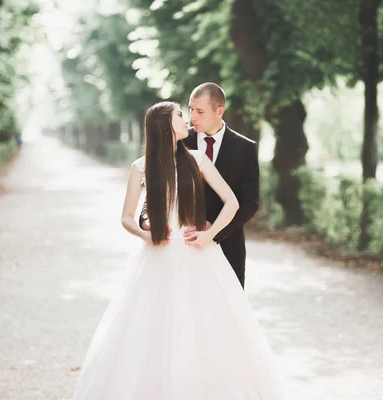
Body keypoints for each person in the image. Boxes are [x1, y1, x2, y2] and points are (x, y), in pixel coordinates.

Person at [72, 101, 285, 399]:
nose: (187, 120)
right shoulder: (141, 166)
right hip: (157, 256)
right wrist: (146, 236)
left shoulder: (197, 159)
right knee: (152, 331)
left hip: (198, 254)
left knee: (207, 327)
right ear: (163, 124)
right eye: (180, 116)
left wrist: (209, 234)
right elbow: (126, 217)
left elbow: (232, 203)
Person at [140, 82, 259, 288]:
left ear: (219, 111)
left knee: (228, 310)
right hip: (182, 244)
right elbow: (155, 190)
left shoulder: (245, 148)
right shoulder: (179, 141)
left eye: (200, 111)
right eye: (190, 109)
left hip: (228, 242)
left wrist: (214, 232)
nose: (192, 117)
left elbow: (250, 202)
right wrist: (145, 220)